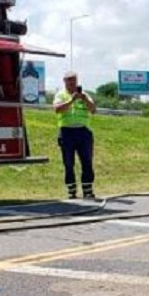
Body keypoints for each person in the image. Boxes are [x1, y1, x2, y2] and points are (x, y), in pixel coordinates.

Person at [53, 70, 97, 199]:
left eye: (74, 80)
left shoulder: (84, 94)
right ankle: (71, 191)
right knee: (68, 162)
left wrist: (85, 99)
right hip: (66, 132)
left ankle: (88, 190)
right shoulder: (61, 95)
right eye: (69, 80)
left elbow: (93, 110)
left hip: (83, 132)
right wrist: (71, 100)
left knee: (87, 161)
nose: (72, 82)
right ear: (64, 81)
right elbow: (57, 109)